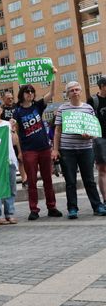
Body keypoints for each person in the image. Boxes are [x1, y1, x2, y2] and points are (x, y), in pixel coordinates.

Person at [11, 68, 63, 220]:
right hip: (29, 150)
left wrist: (53, 75)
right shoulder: (17, 112)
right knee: (32, 181)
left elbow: (51, 94)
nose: (30, 94)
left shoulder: (38, 106)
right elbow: (17, 133)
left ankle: (52, 207)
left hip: (44, 148)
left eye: (32, 91)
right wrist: (20, 151)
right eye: (27, 91)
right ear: (22, 94)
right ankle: (34, 209)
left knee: (48, 179)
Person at [52, 81, 106, 218]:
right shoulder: (62, 109)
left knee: (89, 180)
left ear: (81, 92)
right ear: (67, 94)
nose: (75, 92)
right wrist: (55, 149)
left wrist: (90, 135)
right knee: (70, 181)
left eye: (77, 89)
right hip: (67, 150)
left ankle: (98, 206)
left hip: (86, 149)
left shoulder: (88, 108)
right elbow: (57, 131)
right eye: (72, 90)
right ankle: (72, 208)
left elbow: (95, 129)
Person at [89, 76, 106, 204]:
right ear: (102, 86)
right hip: (100, 139)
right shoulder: (93, 101)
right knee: (102, 170)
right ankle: (105, 200)